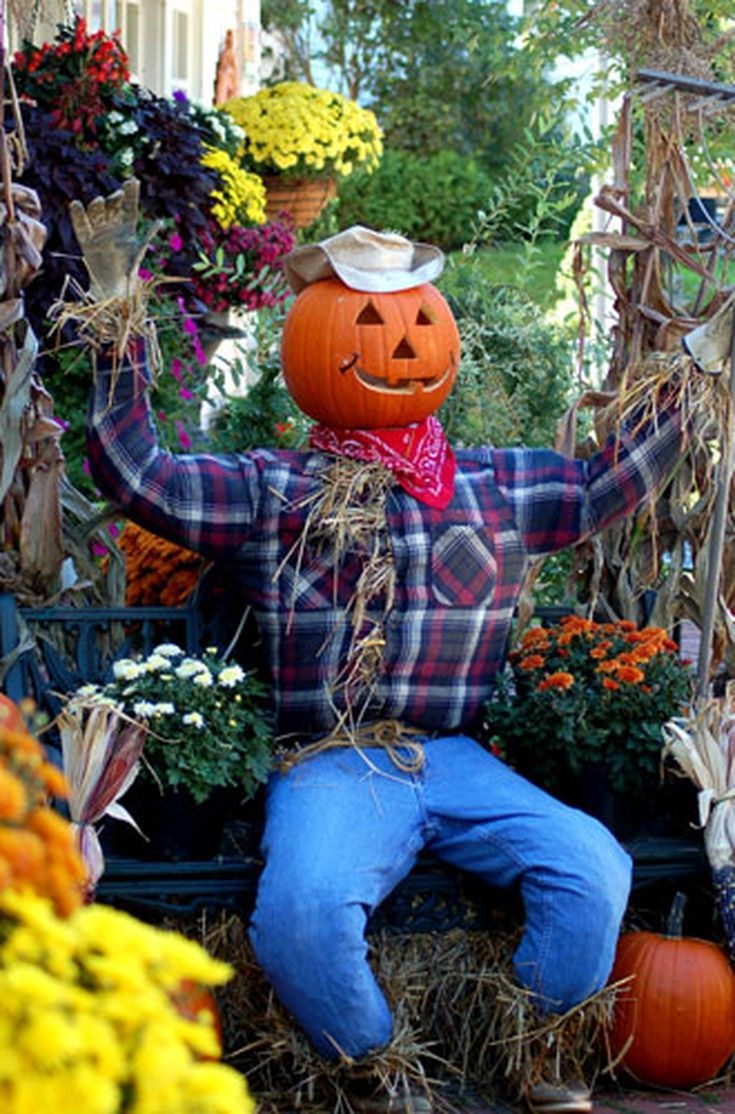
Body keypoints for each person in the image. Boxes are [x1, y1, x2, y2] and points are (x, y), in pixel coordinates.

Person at [72, 181, 690, 1114]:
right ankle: (374, 1069)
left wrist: (689, 375)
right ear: (315, 339)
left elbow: (608, 485)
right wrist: (119, 335)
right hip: (332, 763)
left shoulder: (494, 490)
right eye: (364, 323)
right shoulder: (272, 490)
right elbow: (139, 476)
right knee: (302, 914)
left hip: (455, 758)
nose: (396, 345)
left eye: (414, 323)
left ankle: (523, 1041)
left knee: (593, 866)